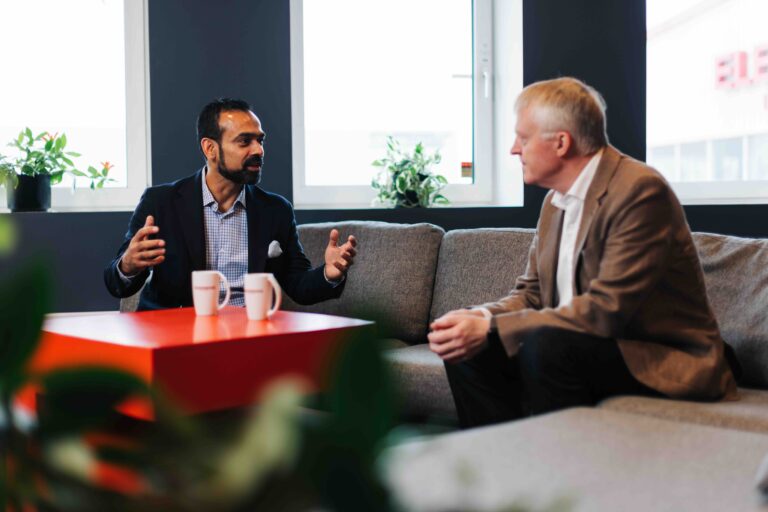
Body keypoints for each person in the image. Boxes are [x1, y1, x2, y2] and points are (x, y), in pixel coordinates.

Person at [428, 77, 739, 428]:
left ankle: (559, 460)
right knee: (465, 346)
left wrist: (490, 327)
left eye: (523, 138)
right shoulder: (555, 201)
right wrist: (478, 317)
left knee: (546, 346)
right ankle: (504, 456)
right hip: (579, 346)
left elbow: (607, 311)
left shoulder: (640, 191)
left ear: (561, 143)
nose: (514, 149)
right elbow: (531, 293)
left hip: (654, 354)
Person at [105, 98, 356, 310]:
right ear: (210, 149)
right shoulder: (161, 202)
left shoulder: (276, 210)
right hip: (176, 335)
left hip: (247, 336)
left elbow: (298, 285)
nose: (258, 150)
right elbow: (115, 284)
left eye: (260, 140)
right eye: (245, 141)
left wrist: (329, 273)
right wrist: (128, 265)